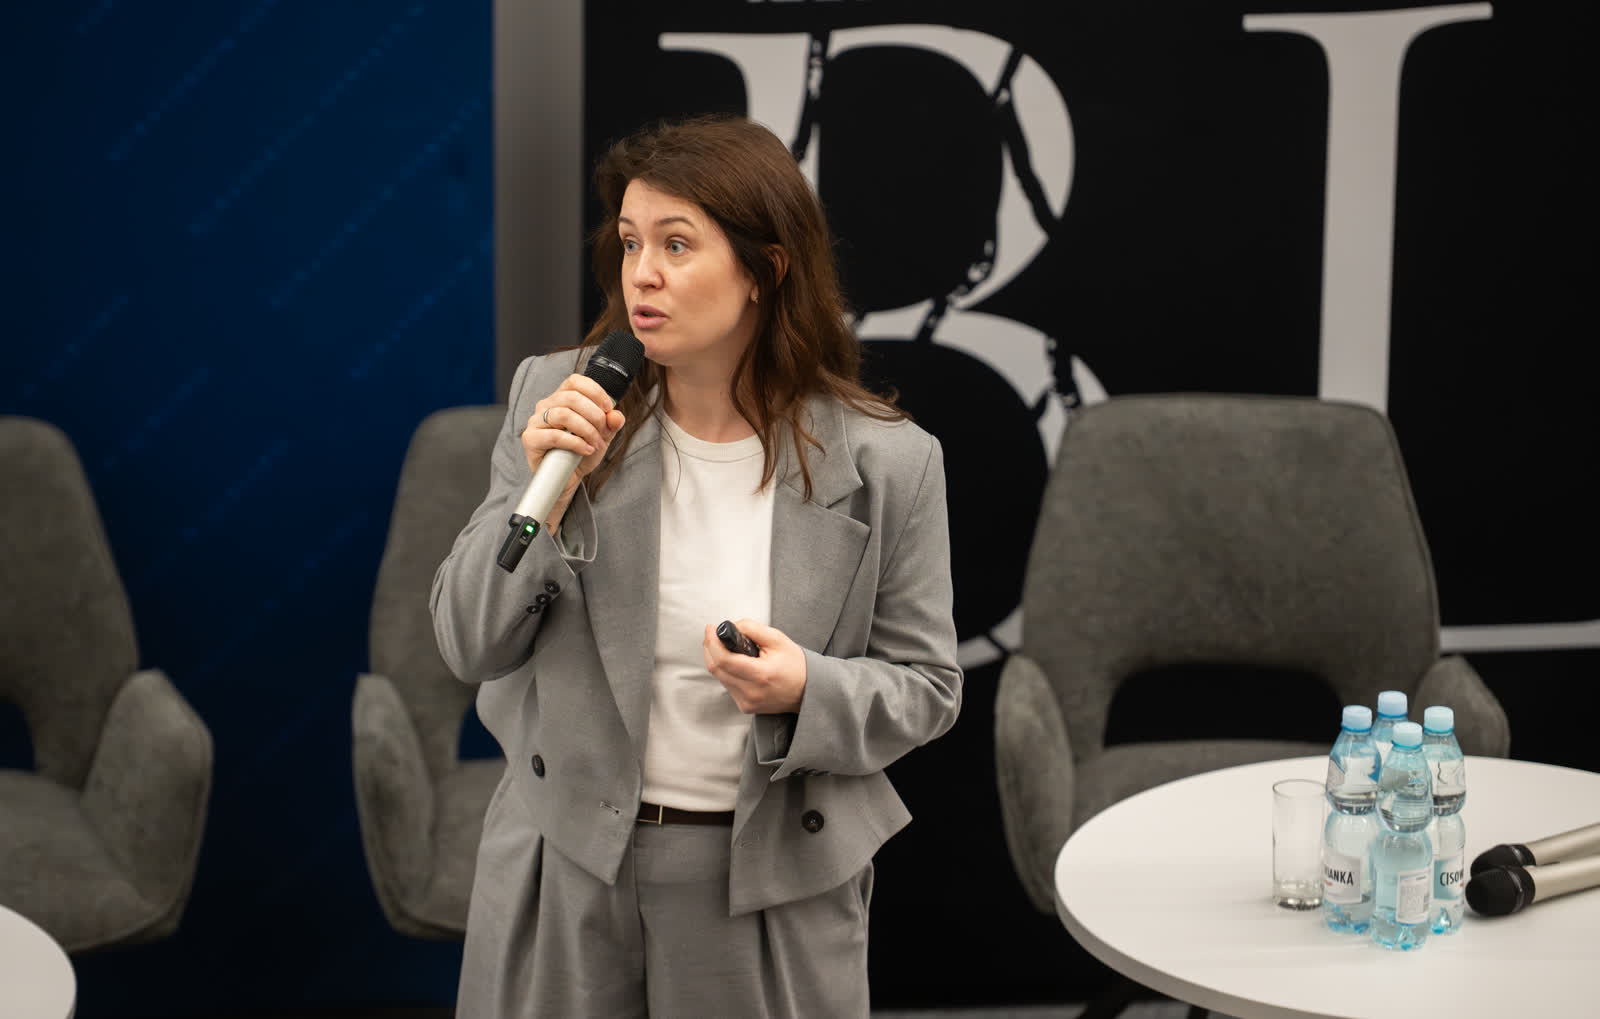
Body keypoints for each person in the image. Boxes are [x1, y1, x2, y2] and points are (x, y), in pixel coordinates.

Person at [431, 114, 961, 1018]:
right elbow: (466, 641)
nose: (641, 272)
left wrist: (806, 688)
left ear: (765, 269)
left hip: (761, 882)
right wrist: (548, 494)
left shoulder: (890, 463)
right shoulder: (558, 397)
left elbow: (928, 687)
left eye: (677, 244)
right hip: (566, 858)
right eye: (631, 241)